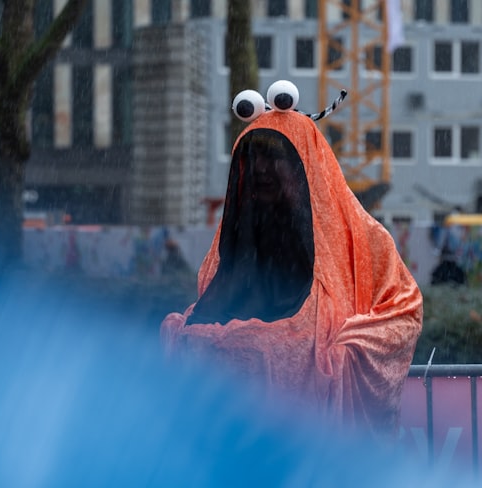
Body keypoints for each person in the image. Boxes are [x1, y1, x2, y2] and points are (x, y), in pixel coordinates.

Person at [161, 83, 423, 437]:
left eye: (275, 158)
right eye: (254, 160)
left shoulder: (360, 236)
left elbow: (404, 309)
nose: (262, 170)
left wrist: (350, 350)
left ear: (307, 165)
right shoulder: (235, 246)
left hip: (317, 443)